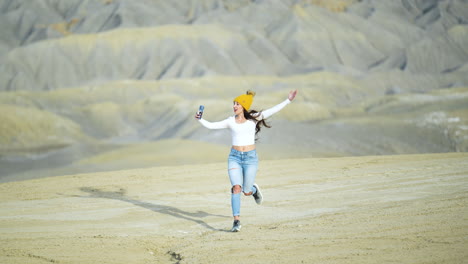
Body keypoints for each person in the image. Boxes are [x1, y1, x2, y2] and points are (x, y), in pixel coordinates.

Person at [195, 90, 298, 232]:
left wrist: (288, 100)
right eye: (234, 104)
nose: (234, 106)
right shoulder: (230, 121)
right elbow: (212, 125)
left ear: (243, 106)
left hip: (250, 158)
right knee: (236, 187)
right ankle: (236, 221)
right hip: (235, 158)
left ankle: (253, 190)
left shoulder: (254, 119)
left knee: (246, 191)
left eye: (237, 104)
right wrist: (200, 119)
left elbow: (272, 111)